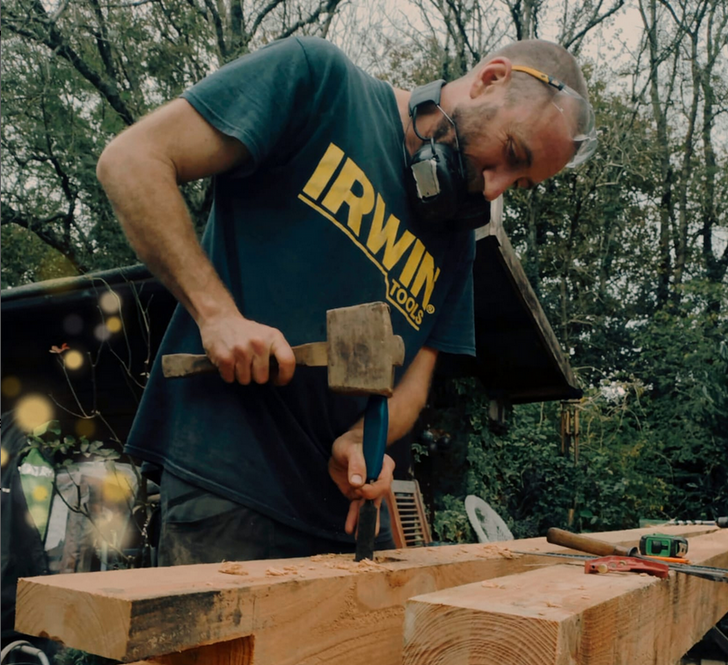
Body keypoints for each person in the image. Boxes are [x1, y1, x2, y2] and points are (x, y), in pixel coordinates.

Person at [97, 37, 595, 569]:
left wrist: (362, 439)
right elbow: (131, 160)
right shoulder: (319, 84)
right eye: (512, 154)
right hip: (231, 492)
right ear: (489, 78)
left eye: (520, 181)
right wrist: (216, 315)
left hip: (351, 519)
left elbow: (415, 379)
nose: (495, 189)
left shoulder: (456, 238)